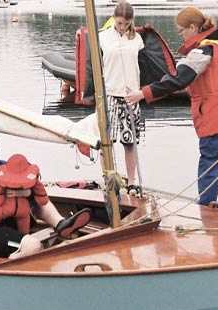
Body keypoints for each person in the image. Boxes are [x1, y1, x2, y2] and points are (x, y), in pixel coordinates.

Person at [126, 7, 218, 211]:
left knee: (209, 167)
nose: (179, 34)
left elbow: (178, 80)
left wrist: (143, 93)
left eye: (181, 30)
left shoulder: (202, 51)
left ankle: (205, 213)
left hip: (216, 118)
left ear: (193, 27)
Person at [99, 2, 145, 194]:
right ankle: (108, 177)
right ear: (114, 18)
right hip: (110, 93)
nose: (122, 27)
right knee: (105, 141)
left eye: (126, 24)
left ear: (131, 22)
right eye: (119, 23)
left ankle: (132, 181)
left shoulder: (137, 39)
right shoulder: (102, 37)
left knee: (130, 141)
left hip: (130, 96)